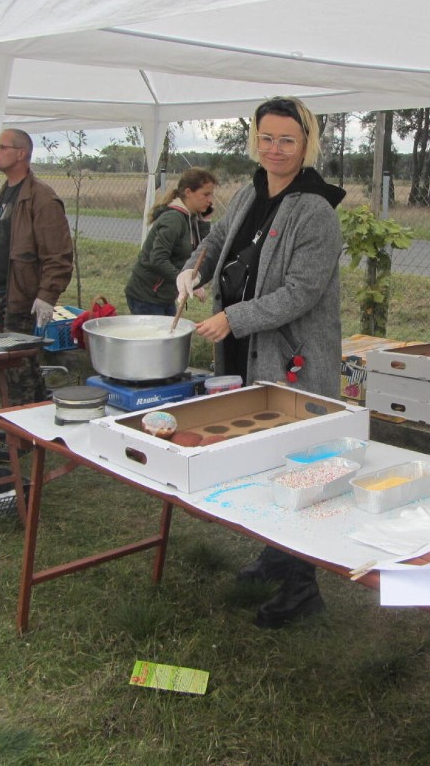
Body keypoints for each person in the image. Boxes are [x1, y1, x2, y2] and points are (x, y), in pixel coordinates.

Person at [176, 96, 346, 629]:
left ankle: (303, 585)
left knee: (296, 462)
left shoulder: (314, 210)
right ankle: (277, 554)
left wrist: (233, 318)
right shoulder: (251, 193)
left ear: (306, 145)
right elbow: (218, 243)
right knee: (261, 459)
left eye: (287, 140)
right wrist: (193, 272)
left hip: (290, 356)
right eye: (266, 138)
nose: (275, 149)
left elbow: (301, 291)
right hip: (245, 349)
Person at [0, 129, 73, 456]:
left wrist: (46, 296)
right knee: (21, 366)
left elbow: (59, 256)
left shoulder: (41, 198)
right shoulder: (4, 193)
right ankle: (33, 423)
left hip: (19, 294)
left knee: (17, 366)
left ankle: (21, 435)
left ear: (21, 154)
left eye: (2, 147)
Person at [125, 168, 216, 316]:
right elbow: (157, 259)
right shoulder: (173, 219)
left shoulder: (190, 217)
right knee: (156, 339)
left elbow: (199, 251)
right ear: (188, 192)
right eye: (206, 194)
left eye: (211, 194)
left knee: (169, 336)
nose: (210, 200)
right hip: (147, 296)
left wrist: (204, 221)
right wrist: (186, 282)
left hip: (164, 295)